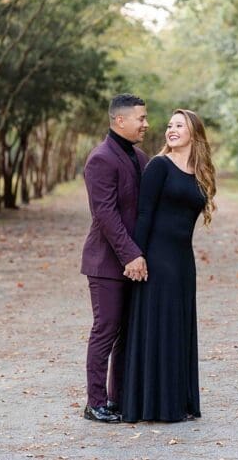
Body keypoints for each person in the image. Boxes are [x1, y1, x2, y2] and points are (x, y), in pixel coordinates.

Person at [121, 109, 217, 423]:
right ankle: (152, 405)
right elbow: (144, 215)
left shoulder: (201, 172)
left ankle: (178, 402)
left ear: (194, 133)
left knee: (178, 329)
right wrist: (137, 256)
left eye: (179, 125)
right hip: (156, 259)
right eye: (169, 125)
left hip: (183, 262)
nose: (171, 130)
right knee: (157, 328)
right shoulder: (159, 166)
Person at [79, 93, 150, 423]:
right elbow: (105, 214)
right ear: (119, 120)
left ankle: (118, 398)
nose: (146, 124)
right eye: (141, 118)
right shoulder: (100, 159)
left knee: (126, 332)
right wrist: (131, 254)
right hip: (107, 263)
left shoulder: (140, 156)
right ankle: (95, 403)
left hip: (135, 262)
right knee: (105, 330)